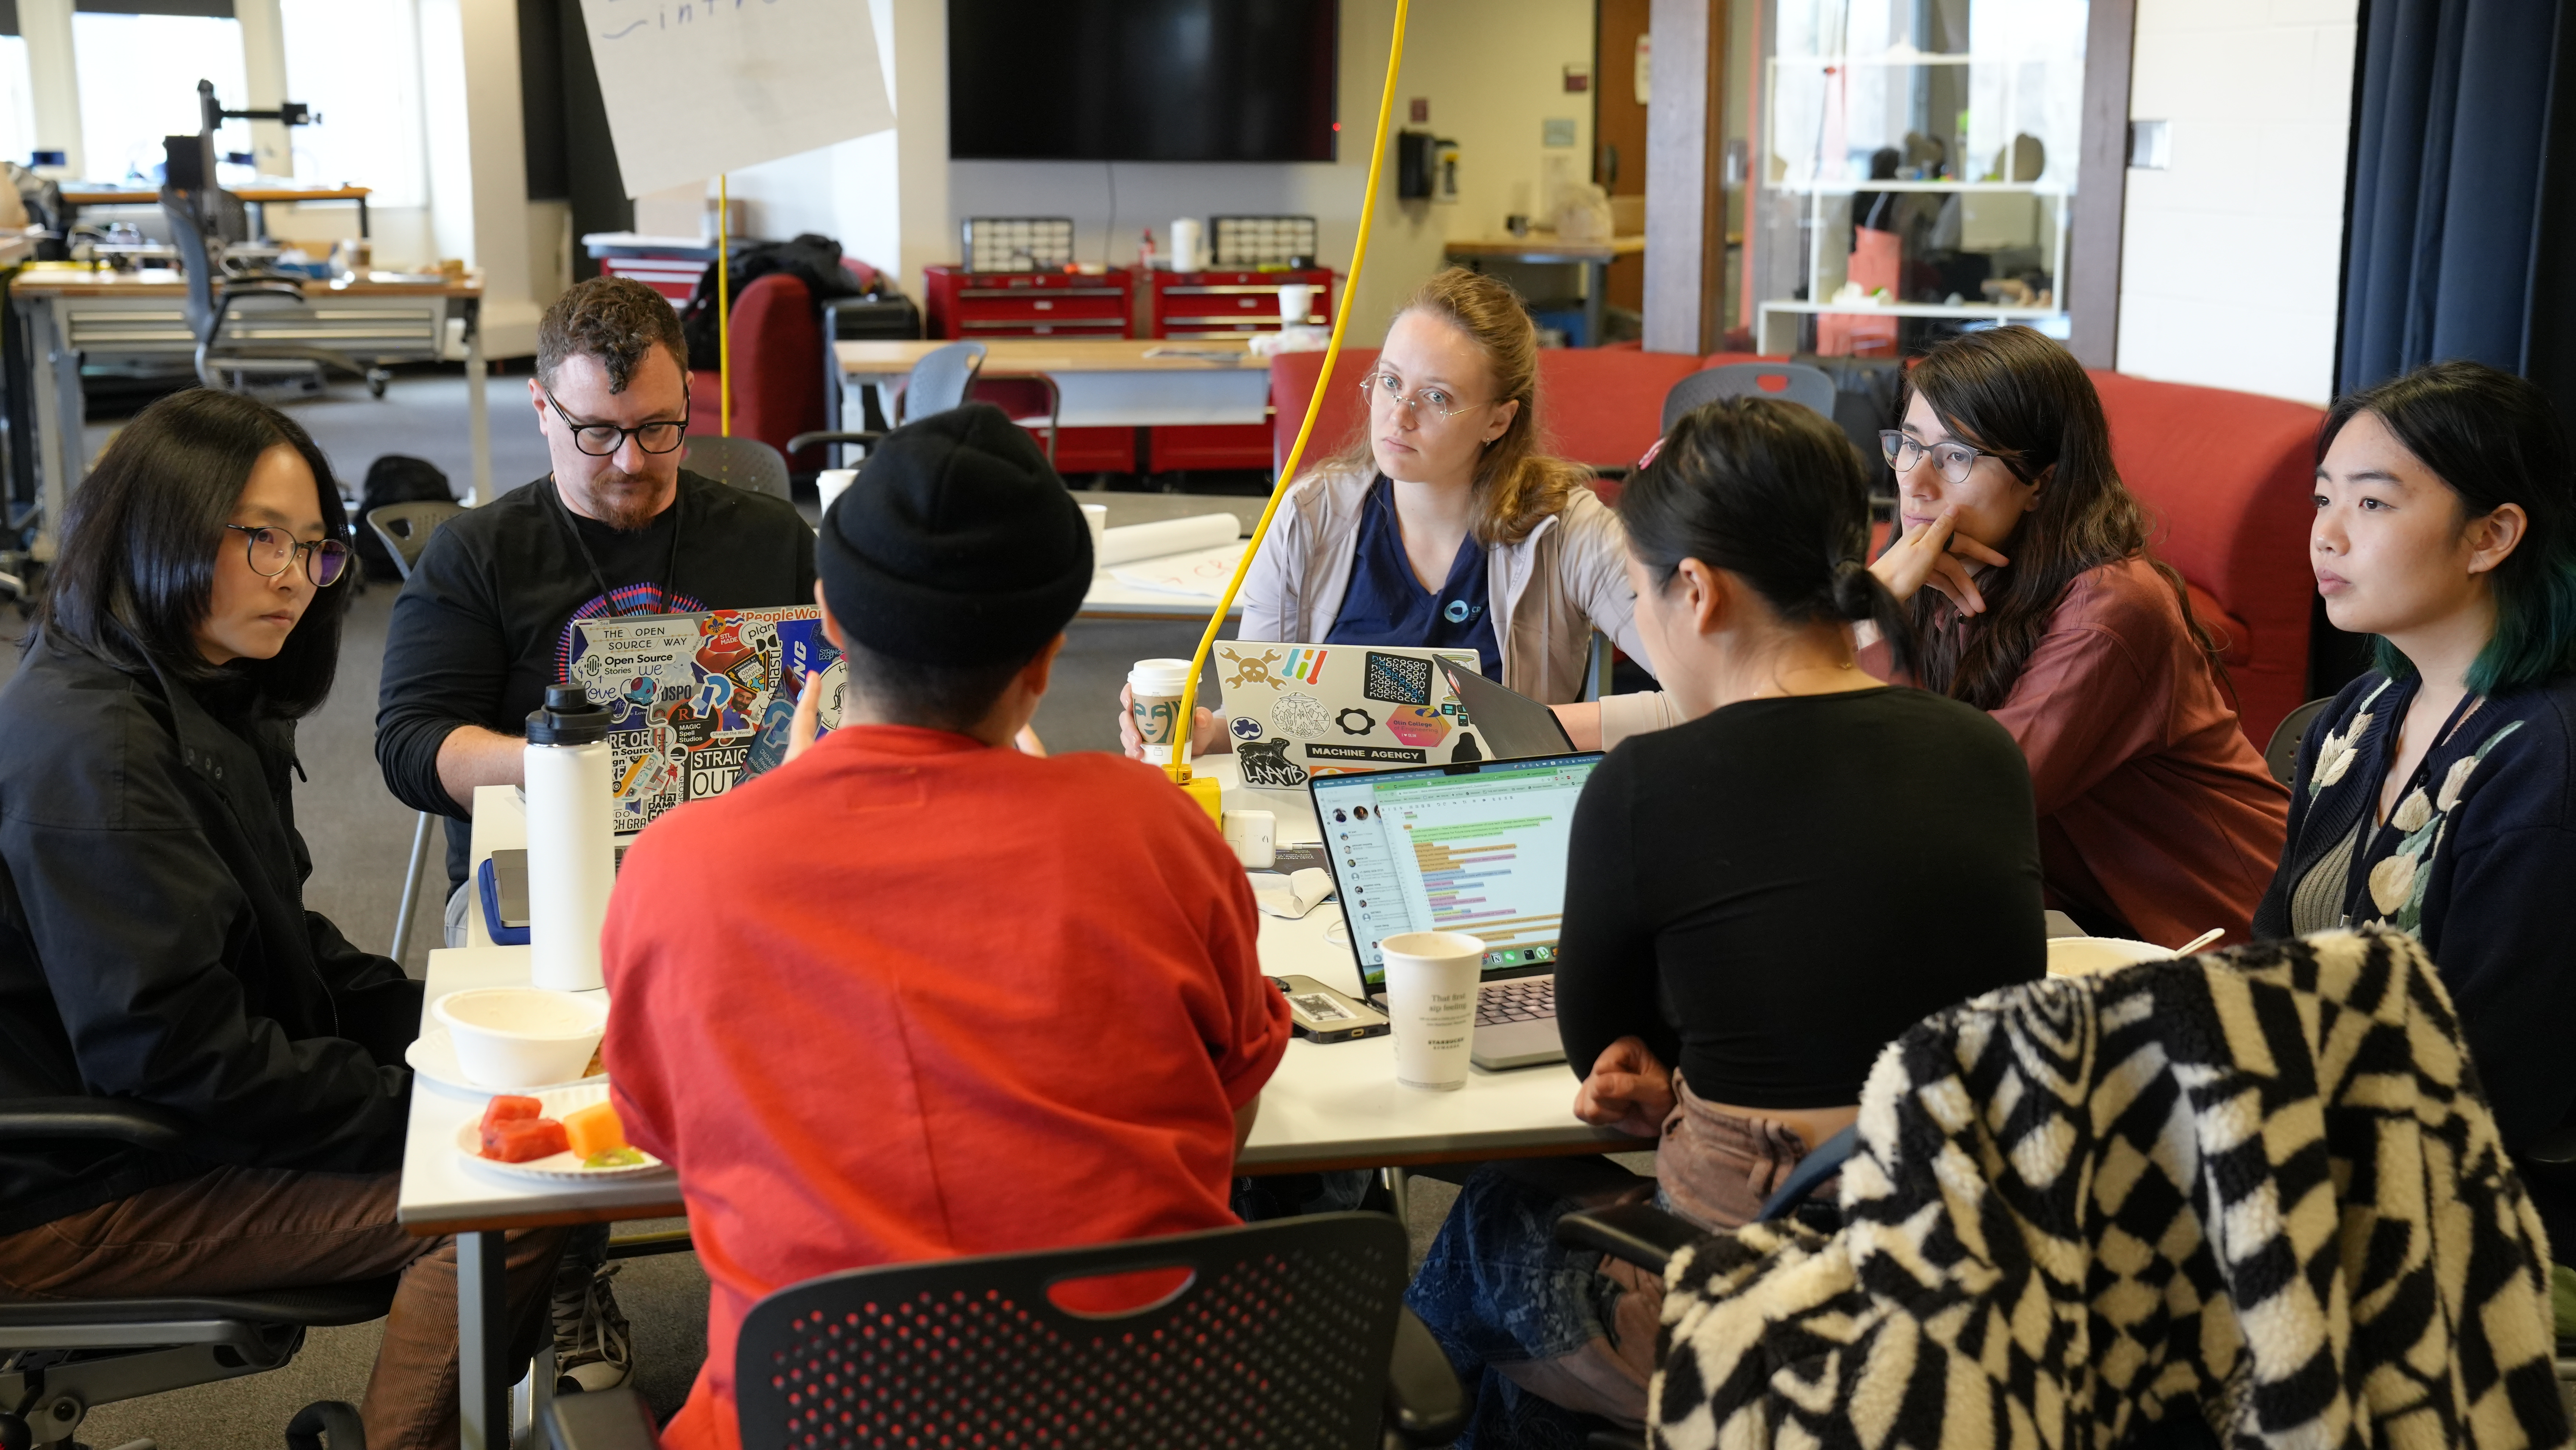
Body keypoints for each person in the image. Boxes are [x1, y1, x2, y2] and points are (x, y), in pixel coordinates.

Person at [600, 404, 1292, 1450]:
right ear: (1050, 656)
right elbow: (1228, 1121)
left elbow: (665, 1146)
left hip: (817, 1419)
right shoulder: (1159, 831)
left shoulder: (683, 868)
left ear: (828, 617)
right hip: (1152, 1413)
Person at [1405, 394, 2046, 1448]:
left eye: (1644, 597)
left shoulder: (1649, 784)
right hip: (1961, 1287)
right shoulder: (1981, 755)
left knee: (1488, 1222)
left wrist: (1669, 1079)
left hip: (1759, 1308)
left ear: (1695, 592)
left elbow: (1600, 1052)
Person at [0, 390, 562, 1450]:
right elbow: (179, 1059)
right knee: (509, 1196)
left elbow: (279, 950)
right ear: (159, 523)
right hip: (71, 1185)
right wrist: (431, 1114)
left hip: (123, 1117)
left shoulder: (187, 684)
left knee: (505, 1124)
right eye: (258, 538)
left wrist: (455, 1020)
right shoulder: (102, 757)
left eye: (313, 547)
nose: (294, 577)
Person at [374, 275, 815, 1384]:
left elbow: (835, 693)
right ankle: (566, 1264)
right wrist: (570, 768)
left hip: (742, 860)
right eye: (600, 434)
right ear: (541, 411)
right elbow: (411, 746)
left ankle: (793, 1251)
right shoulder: (479, 554)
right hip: (557, 876)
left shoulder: (765, 539)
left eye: (661, 430)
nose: (633, 463)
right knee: (568, 1047)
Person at [2255, 359, 2576, 1260]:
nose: (2326, 535)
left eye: (2373, 504)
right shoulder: (2361, 714)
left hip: (2490, 1216)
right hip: (2334, 1147)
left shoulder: (2542, 765)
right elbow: (2277, 950)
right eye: (2323, 500)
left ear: (2493, 534)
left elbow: (2497, 1084)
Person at [1120, 268, 1646, 759]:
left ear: (1499, 420)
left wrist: (1536, 728)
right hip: (1335, 821)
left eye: (1436, 397)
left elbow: (1711, 689)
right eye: (1391, 382)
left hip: (1492, 821)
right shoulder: (1310, 516)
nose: (1400, 416)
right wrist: (1209, 732)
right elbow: (1265, 718)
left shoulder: (1567, 531)